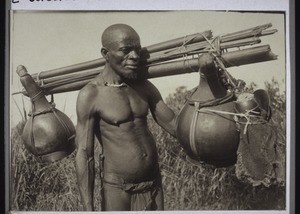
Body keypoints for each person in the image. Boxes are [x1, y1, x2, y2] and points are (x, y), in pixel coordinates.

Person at [75, 23, 214, 211]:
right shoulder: (91, 94)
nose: (134, 56)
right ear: (105, 54)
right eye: (125, 50)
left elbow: (175, 126)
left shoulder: (144, 87)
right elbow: (85, 154)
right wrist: (87, 209)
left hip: (153, 184)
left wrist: (207, 79)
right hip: (118, 190)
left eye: (137, 50)